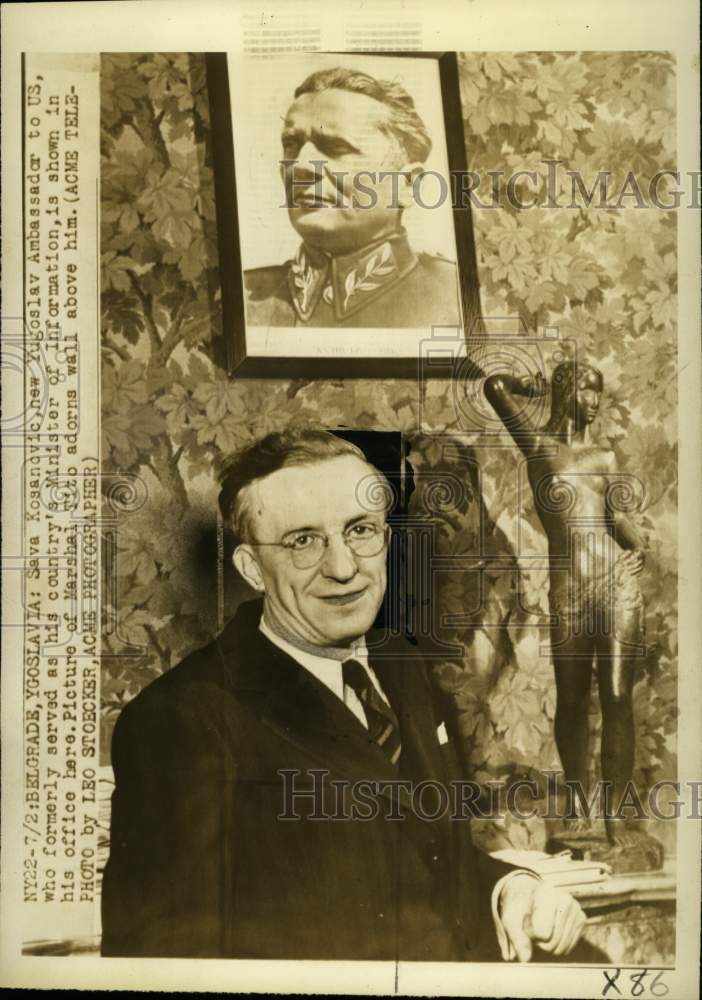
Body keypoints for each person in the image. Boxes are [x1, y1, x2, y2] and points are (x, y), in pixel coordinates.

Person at [101, 429, 585, 960]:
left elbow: (422, 858)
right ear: (252, 569)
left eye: (359, 530)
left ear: (386, 539)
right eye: (302, 541)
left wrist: (508, 888)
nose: (343, 568)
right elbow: (160, 960)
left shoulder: (399, 664)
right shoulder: (179, 721)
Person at [484, 362, 647, 845]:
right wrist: (531, 385)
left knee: (617, 697)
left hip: (617, 584)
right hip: (570, 591)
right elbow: (494, 386)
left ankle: (615, 817)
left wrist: (638, 547)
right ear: (566, 391)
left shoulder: (605, 456)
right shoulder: (538, 446)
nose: (595, 401)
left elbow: (614, 517)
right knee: (573, 700)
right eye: (586, 390)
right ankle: (578, 804)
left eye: (599, 392)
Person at [244, 67, 465, 328]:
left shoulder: (459, 301)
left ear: (408, 184)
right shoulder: (243, 298)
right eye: (292, 145)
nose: (300, 165)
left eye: (336, 147)